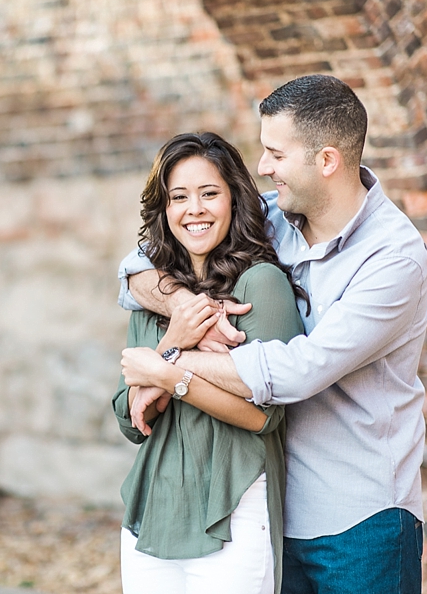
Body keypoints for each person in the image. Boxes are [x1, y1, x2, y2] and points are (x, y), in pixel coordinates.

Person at [118, 75, 427, 594]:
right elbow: (136, 266)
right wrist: (186, 307)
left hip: (361, 522)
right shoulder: (275, 217)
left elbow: (298, 370)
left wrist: (174, 361)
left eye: (275, 154)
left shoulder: (393, 260)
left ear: (326, 160)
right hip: (270, 508)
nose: (262, 167)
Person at [113, 132, 304, 594]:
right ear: (164, 210)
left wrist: (167, 374)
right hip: (154, 510)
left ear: (235, 201)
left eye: (209, 193)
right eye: (179, 197)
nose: (193, 209)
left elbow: (264, 416)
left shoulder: (261, 285)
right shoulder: (154, 297)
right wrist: (176, 341)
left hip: (235, 506)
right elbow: (131, 419)